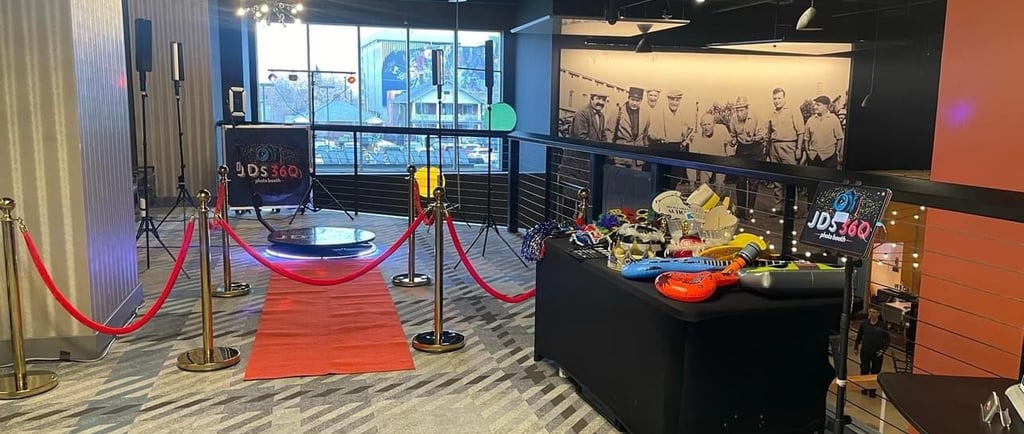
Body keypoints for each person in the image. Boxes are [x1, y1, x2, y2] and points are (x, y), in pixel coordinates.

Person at [854, 306, 890, 398]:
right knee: (864, 369)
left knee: (875, 371)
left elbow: (887, 339)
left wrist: (883, 350)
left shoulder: (882, 326)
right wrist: (856, 346)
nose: (871, 314)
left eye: (874, 312)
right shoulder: (864, 324)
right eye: (870, 311)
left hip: (877, 353)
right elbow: (859, 335)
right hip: (865, 351)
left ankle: (872, 390)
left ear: (878, 314)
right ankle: (864, 387)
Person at [804, 95, 845, 169]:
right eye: (815, 105)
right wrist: (808, 152)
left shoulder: (834, 119)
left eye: (818, 105)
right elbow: (806, 138)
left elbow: (839, 138)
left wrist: (836, 153)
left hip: (829, 158)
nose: (815, 107)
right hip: (813, 157)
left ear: (826, 106)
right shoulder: (810, 120)